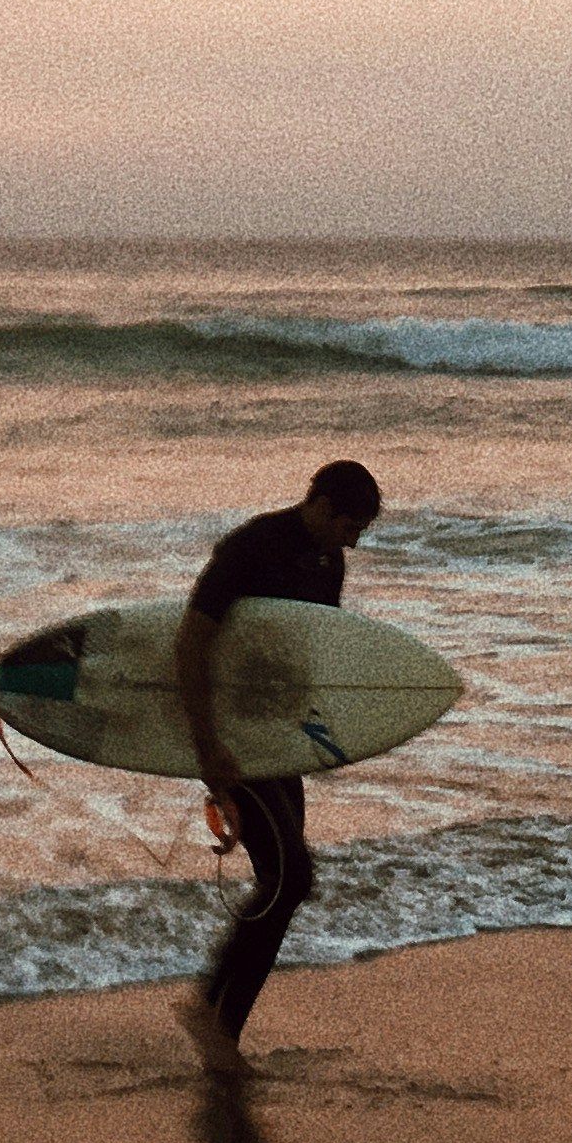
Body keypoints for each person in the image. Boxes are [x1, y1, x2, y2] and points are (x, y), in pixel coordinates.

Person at [173, 459, 383, 1078]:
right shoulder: (250, 547)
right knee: (290, 878)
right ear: (317, 503)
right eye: (349, 524)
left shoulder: (328, 561)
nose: (353, 540)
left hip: (276, 741)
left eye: (361, 530)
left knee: (285, 883)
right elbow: (191, 644)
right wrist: (209, 749)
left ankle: (220, 1037)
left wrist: (317, 739)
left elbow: (305, 655)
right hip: (234, 739)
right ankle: (205, 1012)